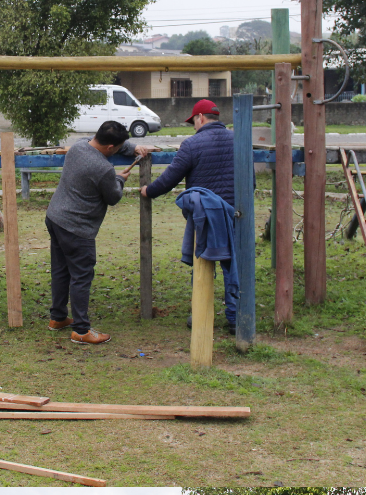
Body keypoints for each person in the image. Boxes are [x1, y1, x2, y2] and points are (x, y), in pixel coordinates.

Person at [45, 120, 148, 345]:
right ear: (110, 148)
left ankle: (58, 317)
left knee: (61, 270)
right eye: (118, 147)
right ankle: (81, 330)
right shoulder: (103, 169)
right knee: (81, 276)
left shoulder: (78, 146)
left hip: (55, 217)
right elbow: (113, 197)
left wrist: (132, 148)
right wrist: (119, 179)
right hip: (77, 227)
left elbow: (109, 148)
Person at [140, 98, 238, 333]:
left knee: (202, 261)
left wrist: (149, 191)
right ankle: (236, 317)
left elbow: (171, 177)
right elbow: (250, 179)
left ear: (200, 118)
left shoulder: (192, 144)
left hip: (205, 215)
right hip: (234, 213)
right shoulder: (237, 139)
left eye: (193, 121)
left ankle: (201, 313)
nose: (194, 126)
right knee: (233, 264)